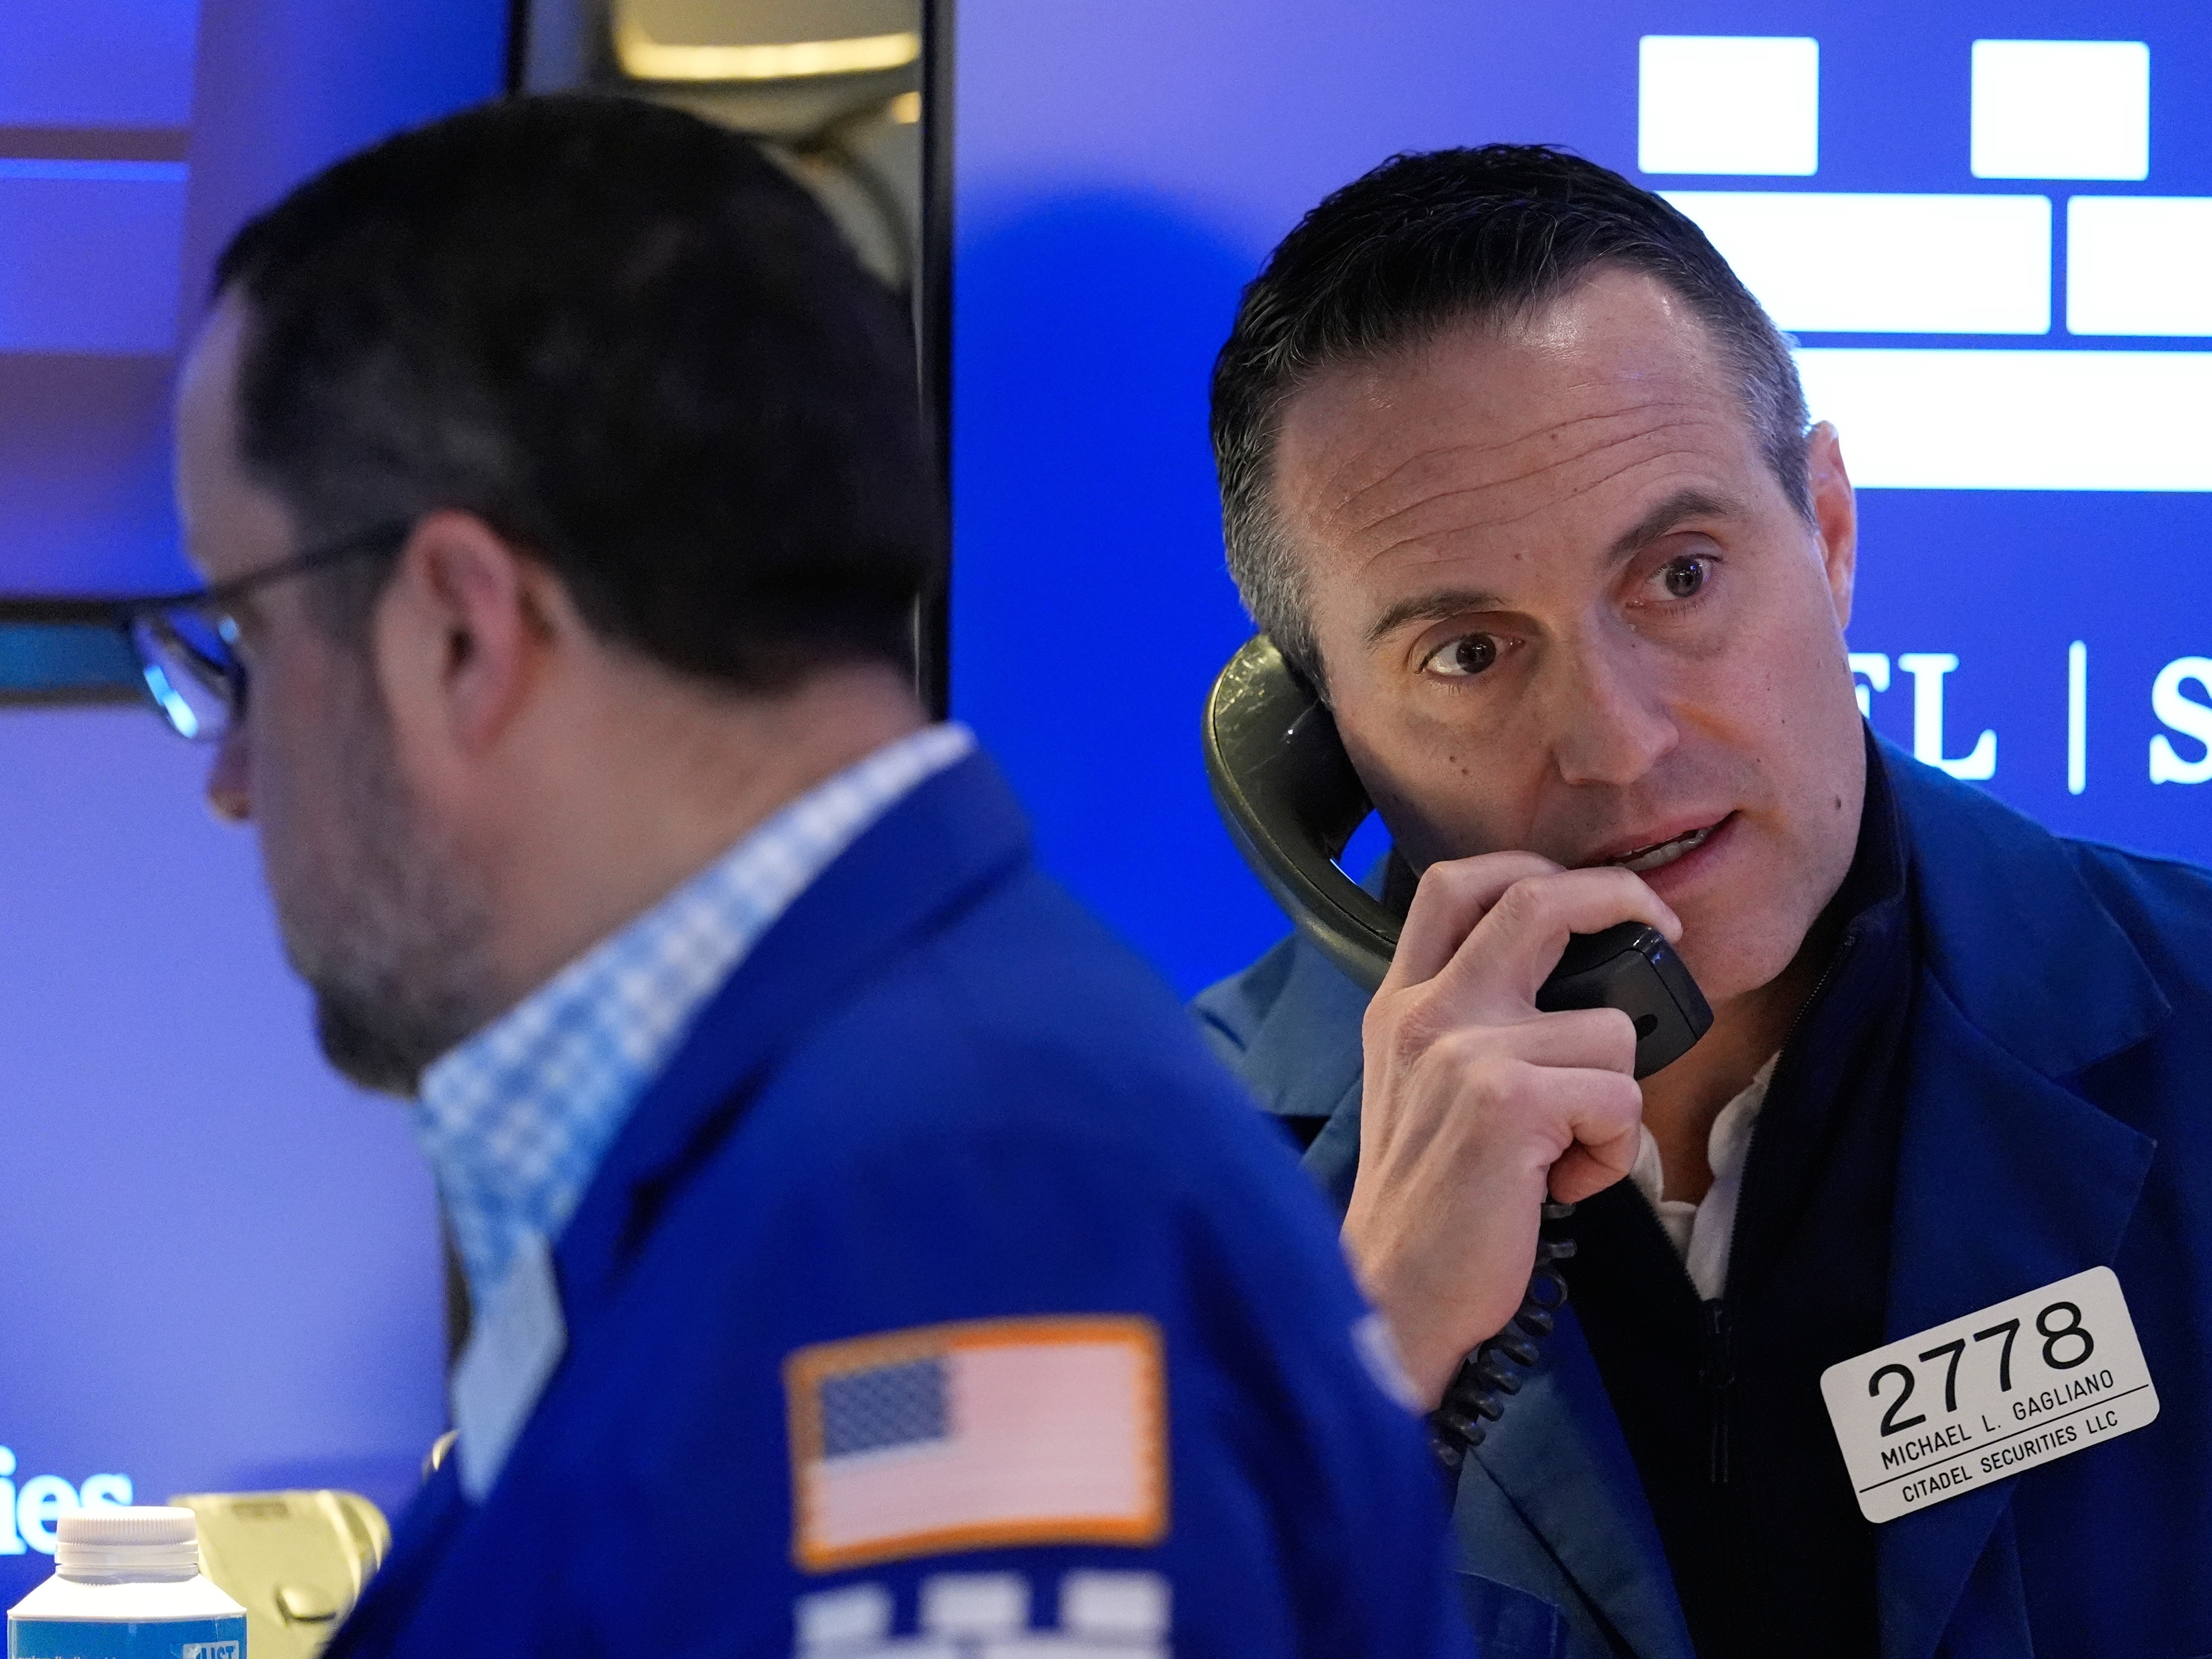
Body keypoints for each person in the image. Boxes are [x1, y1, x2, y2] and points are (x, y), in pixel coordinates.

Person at [147, 95, 1472, 1657]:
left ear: (458, 627)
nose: (230, 776)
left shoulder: (956, 1223)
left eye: (242, 641)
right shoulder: (839, 1155)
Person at [1194, 144, 2212, 1658]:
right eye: (1469, 653)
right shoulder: (1147, 1178)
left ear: (1830, 529)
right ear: (1323, 737)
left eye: (1677, 576)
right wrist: (1367, 1368)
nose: (1618, 742)